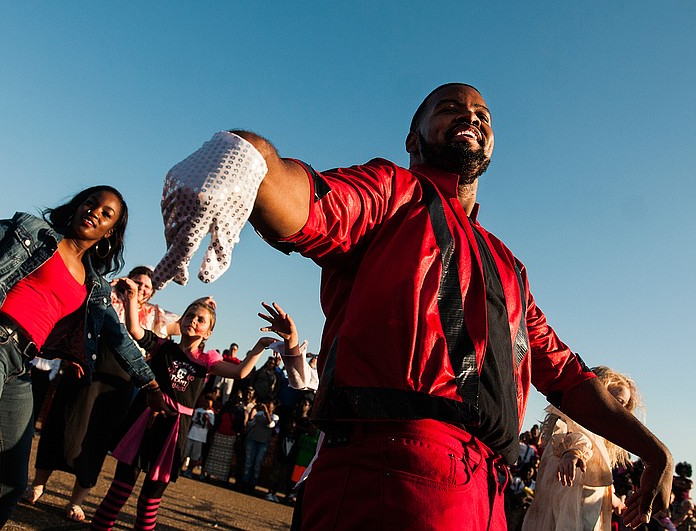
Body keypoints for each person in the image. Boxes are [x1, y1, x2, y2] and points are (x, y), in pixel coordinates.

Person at [154, 84, 673, 530]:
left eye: (483, 116)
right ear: (413, 137)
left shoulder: (510, 267)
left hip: (488, 488)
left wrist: (654, 450)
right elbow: (313, 203)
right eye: (450, 107)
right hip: (390, 471)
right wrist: (248, 158)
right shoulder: (393, 192)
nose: (470, 116)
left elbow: (565, 373)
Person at [0, 185, 166, 531]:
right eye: (90, 203)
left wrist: (152, 383)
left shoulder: (95, 287)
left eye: (106, 213)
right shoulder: (32, 233)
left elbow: (119, 339)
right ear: (77, 206)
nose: (94, 212)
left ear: (109, 232)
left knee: (9, 486)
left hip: (18, 366)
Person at [90, 287, 276, 531]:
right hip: (144, 418)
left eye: (201, 320)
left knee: (151, 497)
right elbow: (135, 330)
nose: (193, 321)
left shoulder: (207, 361)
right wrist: (133, 297)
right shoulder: (162, 346)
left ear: (208, 332)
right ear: (181, 320)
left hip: (174, 429)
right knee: (121, 487)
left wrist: (259, 348)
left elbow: (240, 372)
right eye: (190, 315)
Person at [24, 265, 180, 522]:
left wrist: (206, 305)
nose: (141, 288)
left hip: (121, 380)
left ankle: (77, 500)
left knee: (97, 437)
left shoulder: (156, 315)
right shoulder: (105, 296)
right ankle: (38, 485)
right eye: (137, 282)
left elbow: (184, 326)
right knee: (61, 423)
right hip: (86, 364)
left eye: (147, 286)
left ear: (152, 292)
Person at [522, 366, 641, 530]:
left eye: (624, 405)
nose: (619, 409)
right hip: (566, 517)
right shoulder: (578, 423)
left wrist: (616, 502)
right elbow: (575, 437)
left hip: (582, 518)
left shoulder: (600, 440)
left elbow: (600, 485)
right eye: (617, 401)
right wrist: (572, 453)